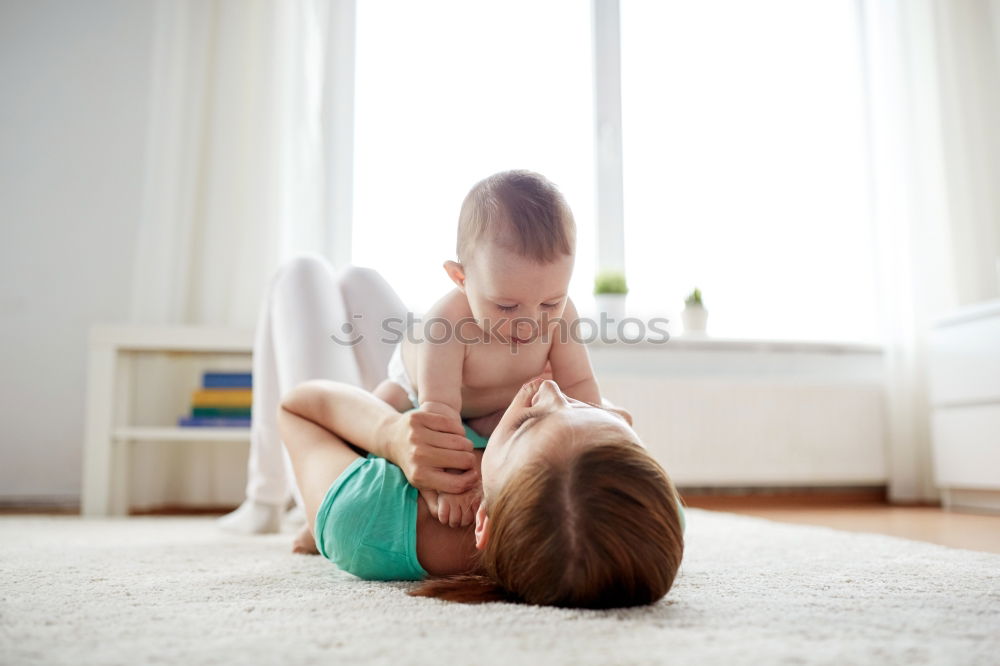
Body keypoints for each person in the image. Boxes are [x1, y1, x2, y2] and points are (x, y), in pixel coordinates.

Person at [278, 375, 686, 608]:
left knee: (302, 277)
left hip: (356, 410)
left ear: (483, 520)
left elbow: (297, 407)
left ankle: (270, 500)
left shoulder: (365, 519)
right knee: (360, 281)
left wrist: (389, 435)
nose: (552, 388)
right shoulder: (644, 518)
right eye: (594, 412)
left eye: (527, 423)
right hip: (428, 373)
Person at [371, 170, 604, 529]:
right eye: (507, 307)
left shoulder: (563, 315)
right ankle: (317, 509)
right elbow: (439, 413)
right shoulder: (446, 325)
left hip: (496, 403)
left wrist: (594, 447)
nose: (530, 324)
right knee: (373, 424)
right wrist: (451, 486)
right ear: (461, 279)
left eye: (550, 303)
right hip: (419, 389)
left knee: (525, 432)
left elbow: (579, 386)